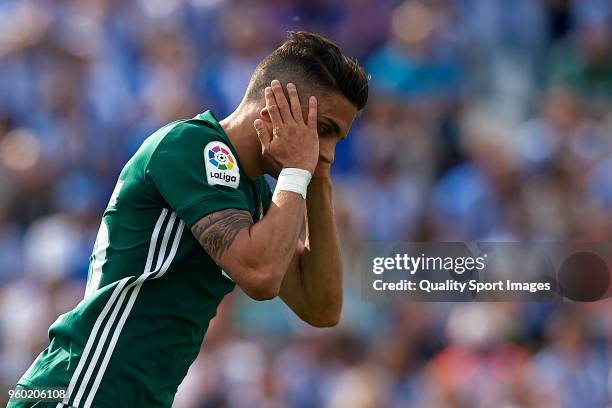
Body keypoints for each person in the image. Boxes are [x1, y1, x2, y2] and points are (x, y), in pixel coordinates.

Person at [8, 31, 368, 408]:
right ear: (277, 105)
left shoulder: (257, 195)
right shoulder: (192, 146)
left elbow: (322, 307)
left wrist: (318, 182)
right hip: (84, 386)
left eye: (336, 141)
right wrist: (297, 170)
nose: (326, 152)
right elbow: (260, 275)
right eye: (323, 131)